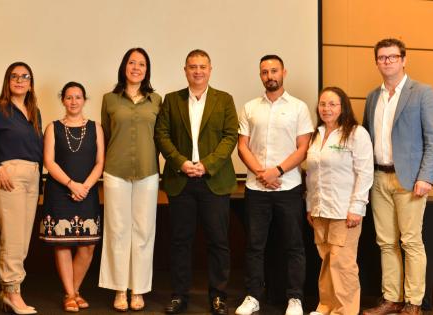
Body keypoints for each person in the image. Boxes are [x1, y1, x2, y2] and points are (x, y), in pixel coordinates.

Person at [361, 38, 433, 315]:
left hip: (410, 181)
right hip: (378, 179)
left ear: (404, 59)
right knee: (386, 242)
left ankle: (413, 302)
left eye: (392, 57)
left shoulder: (423, 93)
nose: (387, 61)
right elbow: (365, 139)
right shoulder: (373, 96)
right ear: (376, 62)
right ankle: (392, 299)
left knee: (410, 242)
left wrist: (426, 177)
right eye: (382, 57)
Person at [155, 49, 238, 315]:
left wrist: (208, 164)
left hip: (213, 180)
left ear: (210, 70)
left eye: (203, 67)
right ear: (185, 70)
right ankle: (180, 296)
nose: (198, 71)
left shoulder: (224, 100)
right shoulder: (171, 100)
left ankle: (218, 296)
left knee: (218, 241)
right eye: (193, 67)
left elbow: (230, 137)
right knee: (180, 241)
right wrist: (181, 162)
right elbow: (162, 135)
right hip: (181, 180)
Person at [236, 54, 312, 315]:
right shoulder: (249, 108)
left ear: (284, 72)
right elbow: (242, 146)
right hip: (256, 189)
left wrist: (277, 171)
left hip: (288, 187)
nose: (270, 76)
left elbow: (303, 148)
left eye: (274, 71)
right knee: (255, 246)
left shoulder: (299, 108)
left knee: (293, 244)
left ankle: (295, 298)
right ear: (260, 76)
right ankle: (253, 295)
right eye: (265, 72)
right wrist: (261, 173)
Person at [98, 47, 162, 312]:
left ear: (147, 70)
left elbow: (160, 137)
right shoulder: (110, 100)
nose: (136, 67)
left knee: (143, 231)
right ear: (124, 66)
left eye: (142, 64)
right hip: (115, 171)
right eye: (132, 63)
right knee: (117, 231)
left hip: (148, 172)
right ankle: (119, 289)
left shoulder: (156, 100)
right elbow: (105, 134)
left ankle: (138, 290)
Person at [0, 62, 43, 315]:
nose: (19, 80)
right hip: (9, 175)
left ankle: (9, 291)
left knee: (23, 240)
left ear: (30, 82)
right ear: (7, 81)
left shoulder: (33, 111)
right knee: (13, 239)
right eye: (14, 76)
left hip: (33, 176)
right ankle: (12, 293)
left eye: (24, 76)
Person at [305, 87, 374, 315]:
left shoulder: (356, 133)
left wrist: (357, 207)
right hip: (320, 209)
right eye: (323, 104)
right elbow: (311, 175)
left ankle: (345, 311)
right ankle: (326, 305)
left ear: (343, 106)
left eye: (333, 104)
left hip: (344, 211)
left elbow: (365, 173)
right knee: (326, 261)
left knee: (342, 263)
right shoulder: (316, 134)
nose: (327, 108)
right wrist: (309, 206)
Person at [39, 82, 104, 312]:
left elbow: (100, 162)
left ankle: (73, 290)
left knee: (88, 246)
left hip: (87, 192)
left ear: (84, 100)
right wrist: (71, 184)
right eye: (69, 97)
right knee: (63, 245)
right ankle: (70, 294)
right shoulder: (53, 127)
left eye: (78, 97)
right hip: (60, 191)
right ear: (63, 100)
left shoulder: (96, 127)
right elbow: (49, 162)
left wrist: (84, 186)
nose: (74, 101)